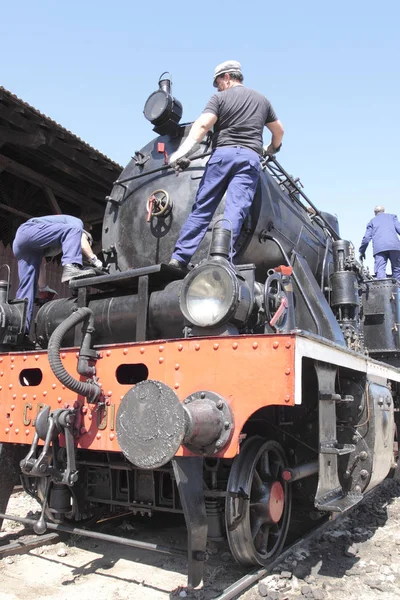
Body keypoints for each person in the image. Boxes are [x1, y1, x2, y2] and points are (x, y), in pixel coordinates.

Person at [168, 59, 284, 271]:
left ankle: (180, 258)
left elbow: (203, 124)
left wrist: (181, 152)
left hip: (222, 155)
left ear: (227, 77)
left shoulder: (220, 98)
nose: (217, 86)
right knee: (235, 211)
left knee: (203, 208)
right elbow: (279, 132)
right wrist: (272, 149)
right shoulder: (262, 100)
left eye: (218, 82)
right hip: (249, 158)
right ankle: (222, 260)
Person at [13, 214, 103, 334]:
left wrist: (43, 287)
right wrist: (95, 260)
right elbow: (80, 240)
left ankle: (20, 332)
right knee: (74, 230)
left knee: (26, 290)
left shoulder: (53, 231)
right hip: (28, 231)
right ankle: (71, 267)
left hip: (24, 243)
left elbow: (42, 263)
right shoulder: (77, 223)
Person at [359, 206, 400, 280]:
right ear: (385, 211)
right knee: (397, 270)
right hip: (394, 247)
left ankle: (383, 290)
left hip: (379, 249)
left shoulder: (372, 221)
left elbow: (366, 238)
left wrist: (362, 251)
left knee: (380, 271)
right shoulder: (392, 217)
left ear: (375, 213)